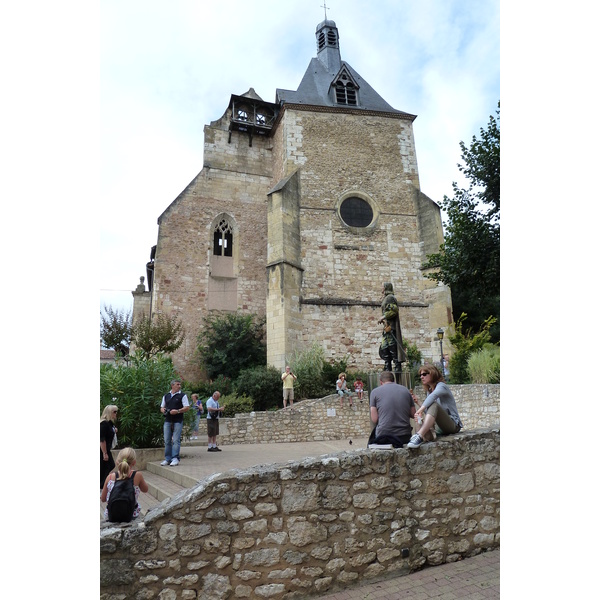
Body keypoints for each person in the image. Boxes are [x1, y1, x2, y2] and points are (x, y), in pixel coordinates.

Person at [407, 364, 463, 449]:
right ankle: (419, 438)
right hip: (439, 428)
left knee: (432, 405)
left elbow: (434, 398)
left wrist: (420, 409)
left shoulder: (442, 386)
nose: (422, 377)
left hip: (453, 425)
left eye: (424, 374)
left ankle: (419, 435)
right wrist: (418, 402)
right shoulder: (429, 391)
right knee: (418, 418)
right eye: (420, 375)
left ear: (432, 373)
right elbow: (431, 412)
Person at [368, 371, 416, 447]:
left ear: (381, 382)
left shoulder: (375, 392)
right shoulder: (406, 391)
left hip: (384, 435)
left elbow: (374, 419)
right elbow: (413, 414)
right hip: (404, 434)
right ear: (394, 380)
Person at [101, 447, 149, 522]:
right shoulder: (137, 475)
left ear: (117, 462)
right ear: (134, 462)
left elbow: (103, 499)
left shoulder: (110, 477)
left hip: (111, 516)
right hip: (131, 515)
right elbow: (145, 490)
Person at [377, 282, 407, 375]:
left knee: (392, 347)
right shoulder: (386, 298)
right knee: (384, 347)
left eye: (382, 287)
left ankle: (397, 367)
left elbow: (394, 310)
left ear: (386, 288)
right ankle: (387, 367)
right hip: (387, 328)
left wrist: (384, 316)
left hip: (391, 328)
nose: (381, 288)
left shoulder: (390, 298)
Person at [160, 379, 190, 466]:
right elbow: (162, 407)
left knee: (176, 440)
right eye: (178, 384)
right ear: (172, 385)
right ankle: (167, 458)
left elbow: (187, 407)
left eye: (180, 384)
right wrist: (164, 411)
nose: (179, 386)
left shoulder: (182, 395)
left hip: (178, 420)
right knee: (167, 440)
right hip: (168, 420)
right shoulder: (166, 396)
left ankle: (175, 458)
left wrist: (177, 411)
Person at [100, 404, 118, 489]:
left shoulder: (109, 423)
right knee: (108, 465)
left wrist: (114, 430)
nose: (116, 414)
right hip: (102, 450)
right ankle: (102, 485)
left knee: (108, 466)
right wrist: (104, 453)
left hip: (106, 449)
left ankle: (103, 484)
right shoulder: (104, 424)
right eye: (114, 412)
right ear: (109, 412)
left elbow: (110, 432)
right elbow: (102, 439)